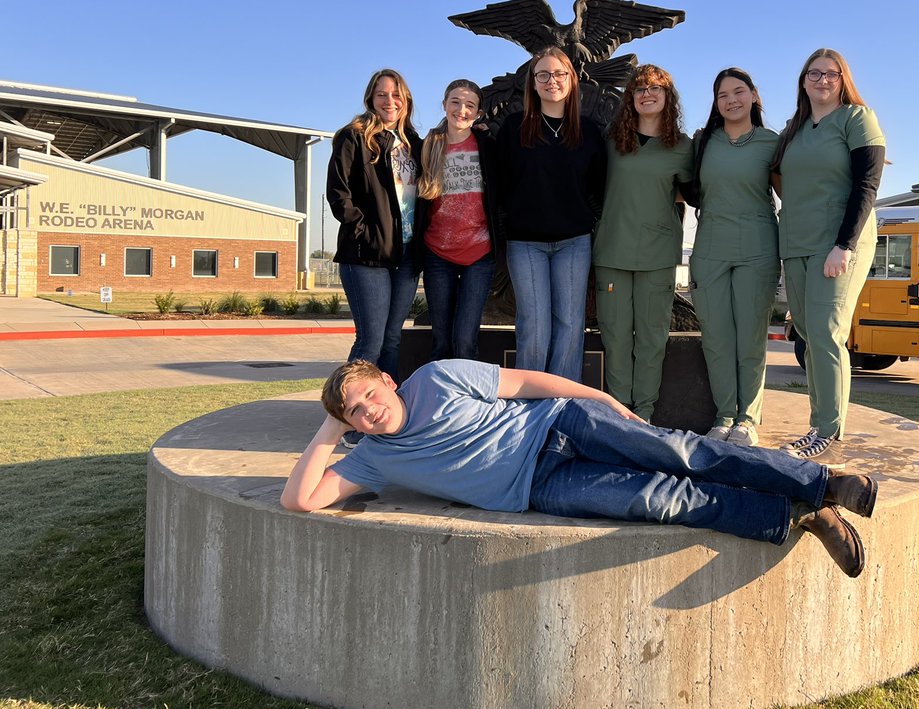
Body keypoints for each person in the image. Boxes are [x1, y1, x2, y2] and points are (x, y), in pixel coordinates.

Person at [280, 358, 878, 578]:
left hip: (560, 424)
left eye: (368, 396)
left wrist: (604, 402)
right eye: (355, 412)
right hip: (540, 486)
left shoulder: (436, 377)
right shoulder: (374, 458)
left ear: (388, 379)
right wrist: (330, 425)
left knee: (683, 453)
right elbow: (300, 501)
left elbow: (526, 383)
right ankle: (799, 516)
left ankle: (825, 483)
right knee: (663, 499)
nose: (369, 411)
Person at [770, 49, 886, 459]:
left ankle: (828, 429)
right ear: (803, 81)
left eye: (831, 74)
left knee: (826, 333)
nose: (822, 80)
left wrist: (844, 245)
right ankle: (816, 423)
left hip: (838, 243)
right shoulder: (796, 128)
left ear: (843, 78)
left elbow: (867, 186)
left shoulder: (857, 119)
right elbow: (781, 177)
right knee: (806, 333)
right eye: (813, 73)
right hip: (796, 243)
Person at [496, 47, 607, 381]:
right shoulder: (514, 128)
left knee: (571, 325)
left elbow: (599, 187)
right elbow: (500, 184)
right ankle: (529, 408)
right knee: (534, 325)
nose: (551, 81)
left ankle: (562, 404)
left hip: (574, 242)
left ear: (572, 80)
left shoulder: (588, 132)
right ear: (532, 82)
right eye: (542, 74)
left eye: (559, 74)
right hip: (525, 243)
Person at [684, 68, 780, 448]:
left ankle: (747, 419)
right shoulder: (703, 142)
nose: (731, 100)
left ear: (754, 96)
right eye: (722, 95)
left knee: (750, 338)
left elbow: (797, 186)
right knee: (717, 337)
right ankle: (724, 416)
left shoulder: (772, 142)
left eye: (738, 92)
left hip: (758, 245)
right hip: (709, 246)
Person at [327, 68, 422, 447]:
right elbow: (339, 194)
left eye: (396, 95)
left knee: (393, 340)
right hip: (366, 256)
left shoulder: (412, 142)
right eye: (382, 95)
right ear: (371, 98)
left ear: (406, 100)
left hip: (406, 256)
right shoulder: (355, 137)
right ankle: (348, 422)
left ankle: (387, 419)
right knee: (369, 342)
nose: (390, 101)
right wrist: (365, 233)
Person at [593, 64, 693, 421]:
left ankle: (645, 413)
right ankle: (620, 413)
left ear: (668, 97)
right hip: (612, 251)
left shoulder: (682, 147)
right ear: (630, 99)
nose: (647, 94)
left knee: (651, 339)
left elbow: (694, 191)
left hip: (658, 253)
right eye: (639, 89)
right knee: (617, 338)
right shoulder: (611, 143)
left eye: (655, 88)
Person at [416, 79, 501, 361]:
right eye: (455, 102)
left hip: (480, 254)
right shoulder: (428, 146)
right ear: (444, 105)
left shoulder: (487, 144)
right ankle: (442, 399)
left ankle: (466, 402)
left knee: (465, 340)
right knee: (441, 340)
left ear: (478, 113)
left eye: (470, 105)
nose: (461, 110)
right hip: (438, 254)